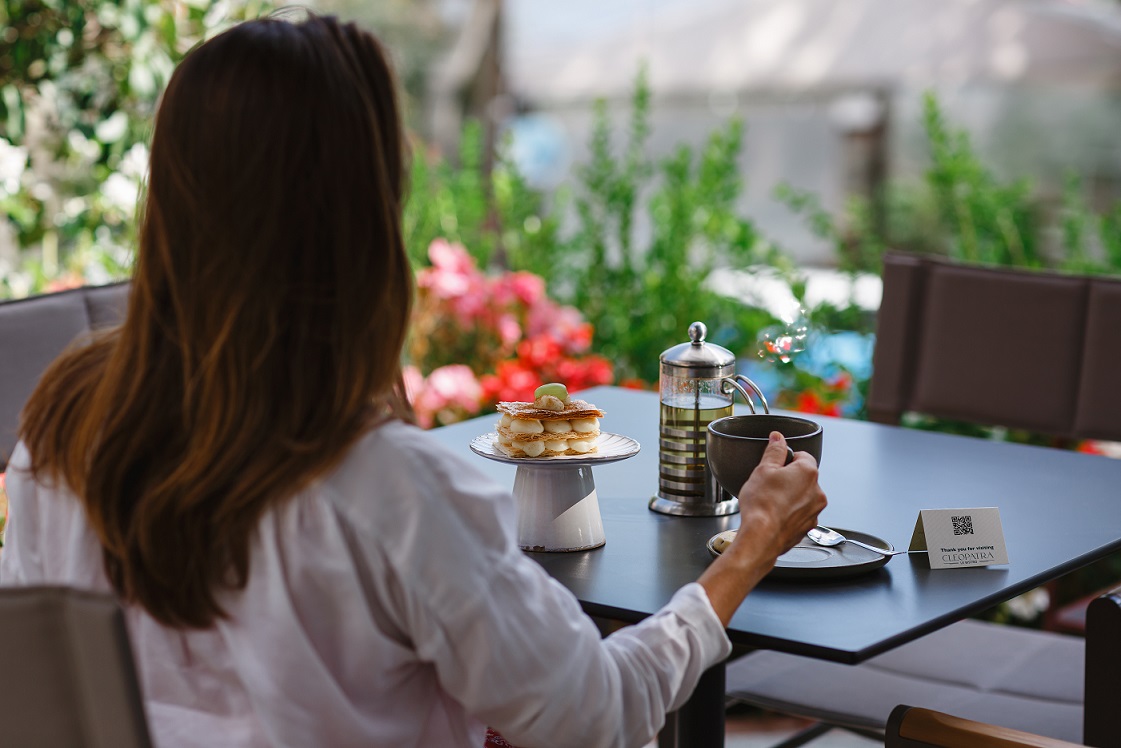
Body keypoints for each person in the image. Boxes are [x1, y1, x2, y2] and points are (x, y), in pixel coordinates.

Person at [0, 13, 827, 748]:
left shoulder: (64, 423)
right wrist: (747, 550)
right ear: (359, 221)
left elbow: (36, 678)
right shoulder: (390, 486)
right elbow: (597, 717)